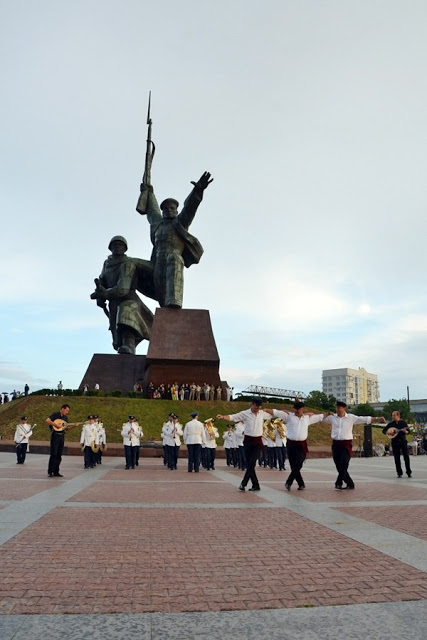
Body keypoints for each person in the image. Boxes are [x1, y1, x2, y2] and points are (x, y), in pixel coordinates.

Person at [137, 172, 213, 308]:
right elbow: (152, 208)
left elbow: (190, 207)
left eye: (172, 208)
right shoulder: (158, 225)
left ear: (177, 211)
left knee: (175, 258)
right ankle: (123, 294)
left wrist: (198, 190)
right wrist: (149, 190)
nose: (168, 210)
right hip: (157, 265)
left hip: (173, 263)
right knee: (128, 263)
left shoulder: (180, 223)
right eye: (165, 209)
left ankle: (174, 303)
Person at [90, 236, 155, 354]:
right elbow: (102, 280)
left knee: (126, 315)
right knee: (117, 340)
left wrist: (105, 294)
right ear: (110, 248)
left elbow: (123, 289)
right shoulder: (107, 264)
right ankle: (127, 348)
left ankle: (129, 344)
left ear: (125, 248)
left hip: (129, 299)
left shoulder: (128, 263)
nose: (117, 247)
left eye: (120, 245)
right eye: (114, 245)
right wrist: (99, 294)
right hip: (114, 303)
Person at [266, 402, 327, 490]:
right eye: (296, 408)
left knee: (299, 463)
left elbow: (320, 417)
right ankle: (301, 484)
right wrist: (265, 410)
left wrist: (328, 414)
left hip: (301, 445)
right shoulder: (289, 417)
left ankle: (289, 482)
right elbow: (276, 412)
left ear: (303, 409)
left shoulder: (307, 418)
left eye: (299, 408)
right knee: (293, 465)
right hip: (291, 444)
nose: (297, 410)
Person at [324, 401, 385, 489]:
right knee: (338, 465)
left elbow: (364, 419)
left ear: (344, 408)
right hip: (336, 444)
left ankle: (339, 482)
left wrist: (378, 418)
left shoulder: (351, 418)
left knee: (344, 463)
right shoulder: (332, 418)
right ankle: (350, 483)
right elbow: (320, 418)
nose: (338, 409)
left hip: (346, 444)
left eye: (340, 408)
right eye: (337, 408)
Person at [217, 397, 272, 491]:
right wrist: (223, 416)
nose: (257, 409)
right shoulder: (245, 413)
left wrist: (286, 412)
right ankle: (256, 485)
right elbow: (233, 417)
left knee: (252, 463)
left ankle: (244, 483)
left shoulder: (262, 414)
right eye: (256, 407)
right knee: (249, 464)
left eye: (259, 407)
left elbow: (276, 413)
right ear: (252, 404)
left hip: (258, 442)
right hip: (248, 441)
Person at [46, 403, 75, 477]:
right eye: (66, 410)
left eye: (68, 411)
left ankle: (56, 471)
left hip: (61, 436)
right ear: (62, 409)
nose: (67, 412)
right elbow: (47, 420)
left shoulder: (65, 418)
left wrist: (74, 426)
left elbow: (66, 428)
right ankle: (50, 471)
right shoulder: (55, 415)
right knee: (54, 453)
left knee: (59, 454)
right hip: (55, 436)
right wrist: (56, 425)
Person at [382, 411, 412, 478]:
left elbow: (408, 431)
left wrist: (405, 431)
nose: (392, 417)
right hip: (395, 442)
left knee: (406, 457)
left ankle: (408, 472)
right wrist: (389, 432)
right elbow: (384, 431)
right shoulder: (391, 424)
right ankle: (399, 473)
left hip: (403, 441)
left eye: (394, 415)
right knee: (396, 458)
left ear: (398, 416)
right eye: (392, 415)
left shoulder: (403, 423)